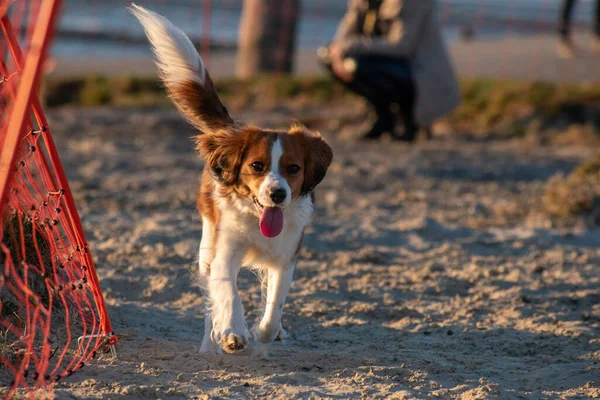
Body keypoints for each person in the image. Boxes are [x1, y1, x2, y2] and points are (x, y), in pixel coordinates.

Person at [319, 0, 460, 142]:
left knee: (359, 64)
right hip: (390, 62)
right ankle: (383, 117)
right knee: (327, 56)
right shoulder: (364, 2)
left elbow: (402, 47)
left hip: (421, 73)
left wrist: (351, 46)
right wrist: (339, 52)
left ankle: (408, 119)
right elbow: (343, 38)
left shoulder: (412, 3)